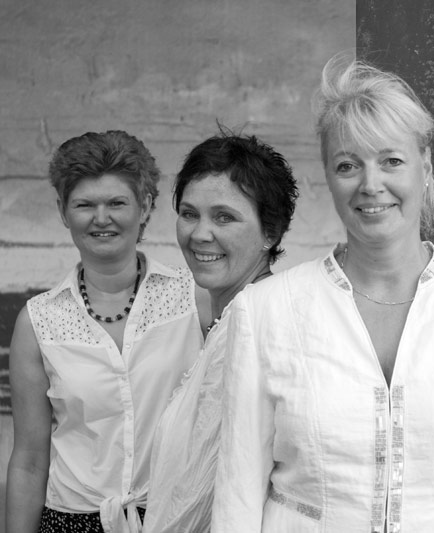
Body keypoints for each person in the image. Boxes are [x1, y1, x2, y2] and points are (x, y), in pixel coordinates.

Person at [210, 55, 434, 532]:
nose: (370, 184)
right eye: (347, 165)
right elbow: (237, 495)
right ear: (328, 177)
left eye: (391, 161)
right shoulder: (266, 310)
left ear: (425, 166)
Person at [6, 131, 203, 533]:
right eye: (84, 204)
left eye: (116, 203)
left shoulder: (193, 298)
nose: (101, 218)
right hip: (70, 522)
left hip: (178, 517)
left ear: (144, 206)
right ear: (63, 212)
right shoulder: (38, 321)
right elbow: (29, 461)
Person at [143, 132, 298, 533]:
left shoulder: (256, 330)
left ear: (270, 232)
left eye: (224, 217)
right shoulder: (230, 320)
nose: (200, 234)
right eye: (189, 213)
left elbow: (208, 497)